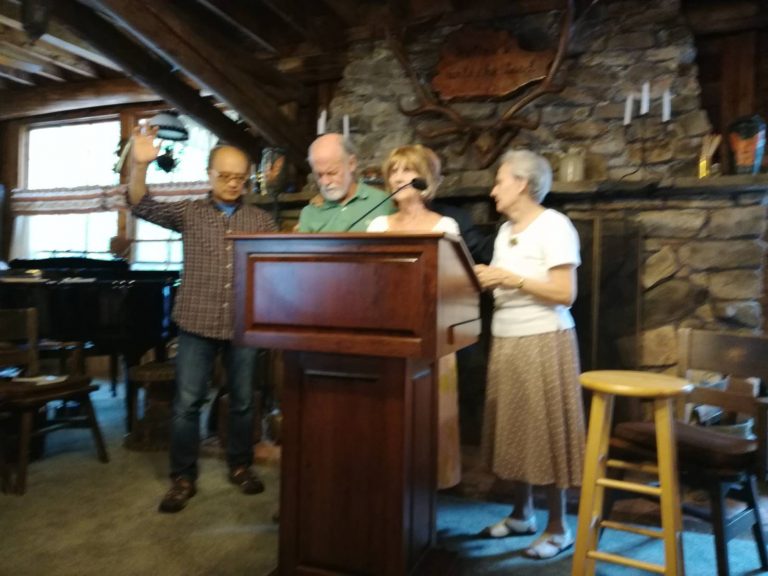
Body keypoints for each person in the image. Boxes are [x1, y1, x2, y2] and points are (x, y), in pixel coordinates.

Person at [128, 123, 277, 513]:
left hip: (244, 325)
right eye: (224, 176)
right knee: (187, 403)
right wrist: (140, 165)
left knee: (243, 401)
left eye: (240, 177)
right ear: (209, 175)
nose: (233, 183)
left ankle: (240, 465)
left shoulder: (262, 220)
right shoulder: (189, 212)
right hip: (196, 322)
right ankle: (182, 477)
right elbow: (140, 204)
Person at [473, 149, 585, 559]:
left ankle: (558, 527)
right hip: (507, 338)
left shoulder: (554, 225)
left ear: (522, 183)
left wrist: (508, 278)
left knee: (545, 433)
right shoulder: (505, 231)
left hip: (543, 340)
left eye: (500, 181)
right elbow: (508, 283)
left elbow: (565, 293)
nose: (493, 190)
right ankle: (522, 514)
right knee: (516, 429)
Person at [368, 144, 462, 489]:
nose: (397, 177)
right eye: (393, 171)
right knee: (390, 411)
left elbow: (456, 282)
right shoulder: (378, 224)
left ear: (425, 179)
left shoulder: (445, 225)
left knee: (428, 412)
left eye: (406, 170)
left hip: (432, 333)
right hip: (387, 331)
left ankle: (427, 487)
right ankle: (388, 481)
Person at [298, 133, 394, 232]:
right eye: (319, 175)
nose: (325, 182)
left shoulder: (383, 202)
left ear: (351, 164)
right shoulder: (310, 213)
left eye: (332, 173)